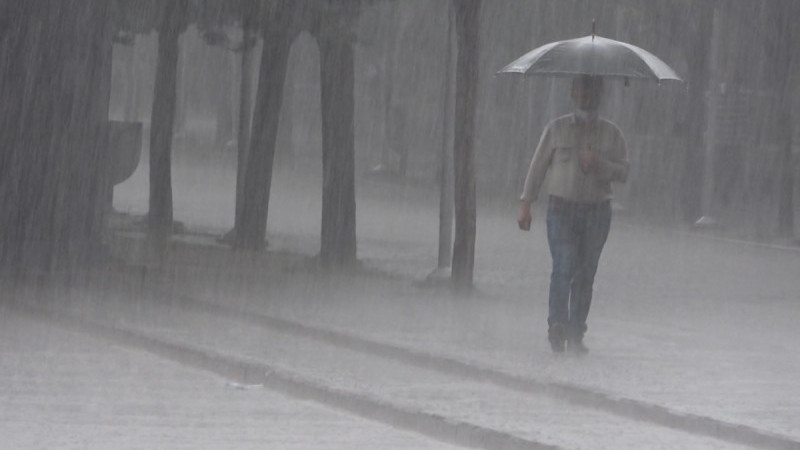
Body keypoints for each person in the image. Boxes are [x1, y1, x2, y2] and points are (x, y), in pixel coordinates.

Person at [517, 75, 629, 354]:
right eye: (580, 88)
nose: (585, 95)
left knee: (585, 273)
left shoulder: (611, 133)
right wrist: (526, 203)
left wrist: (598, 164)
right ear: (571, 92)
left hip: (597, 211)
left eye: (591, 89)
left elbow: (623, 171)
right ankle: (557, 324)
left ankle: (577, 330)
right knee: (564, 266)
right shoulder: (556, 129)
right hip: (561, 209)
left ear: (600, 94)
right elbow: (538, 167)